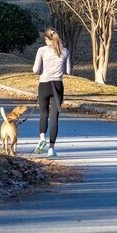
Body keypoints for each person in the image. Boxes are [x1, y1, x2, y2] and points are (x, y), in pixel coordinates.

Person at [32, 29, 71, 157]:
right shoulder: (64, 51)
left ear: (47, 39)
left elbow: (35, 70)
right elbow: (68, 71)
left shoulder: (42, 50)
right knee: (54, 117)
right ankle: (51, 148)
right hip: (58, 85)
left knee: (43, 113)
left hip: (44, 84)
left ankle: (42, 137)